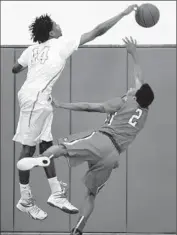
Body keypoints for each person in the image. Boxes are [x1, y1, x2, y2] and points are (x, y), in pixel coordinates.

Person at [12, 6, 137, 220]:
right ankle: (25, 199)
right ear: (51, 33)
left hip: (39, 98)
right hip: (36, 99)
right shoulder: (61, 44)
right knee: (27, 149)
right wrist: (122, 14)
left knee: (45, 145)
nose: (60, 26)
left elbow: (15, 68)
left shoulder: (31, 50)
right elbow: (98, 31)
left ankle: (56, 194)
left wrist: (33, 65)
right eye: (56, 25)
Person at [19, 37, 154, 234]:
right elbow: (139, 78)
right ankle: (78, 229)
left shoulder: (124, 102)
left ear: (135, 96)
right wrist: (134, 54)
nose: (132, 87)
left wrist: (62, 104)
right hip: (113, 157)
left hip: (103, 140)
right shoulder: (144, 111)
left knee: (63, 147)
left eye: (134, 90)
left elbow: (90, 107)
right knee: (91, 195)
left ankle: (39, 159)